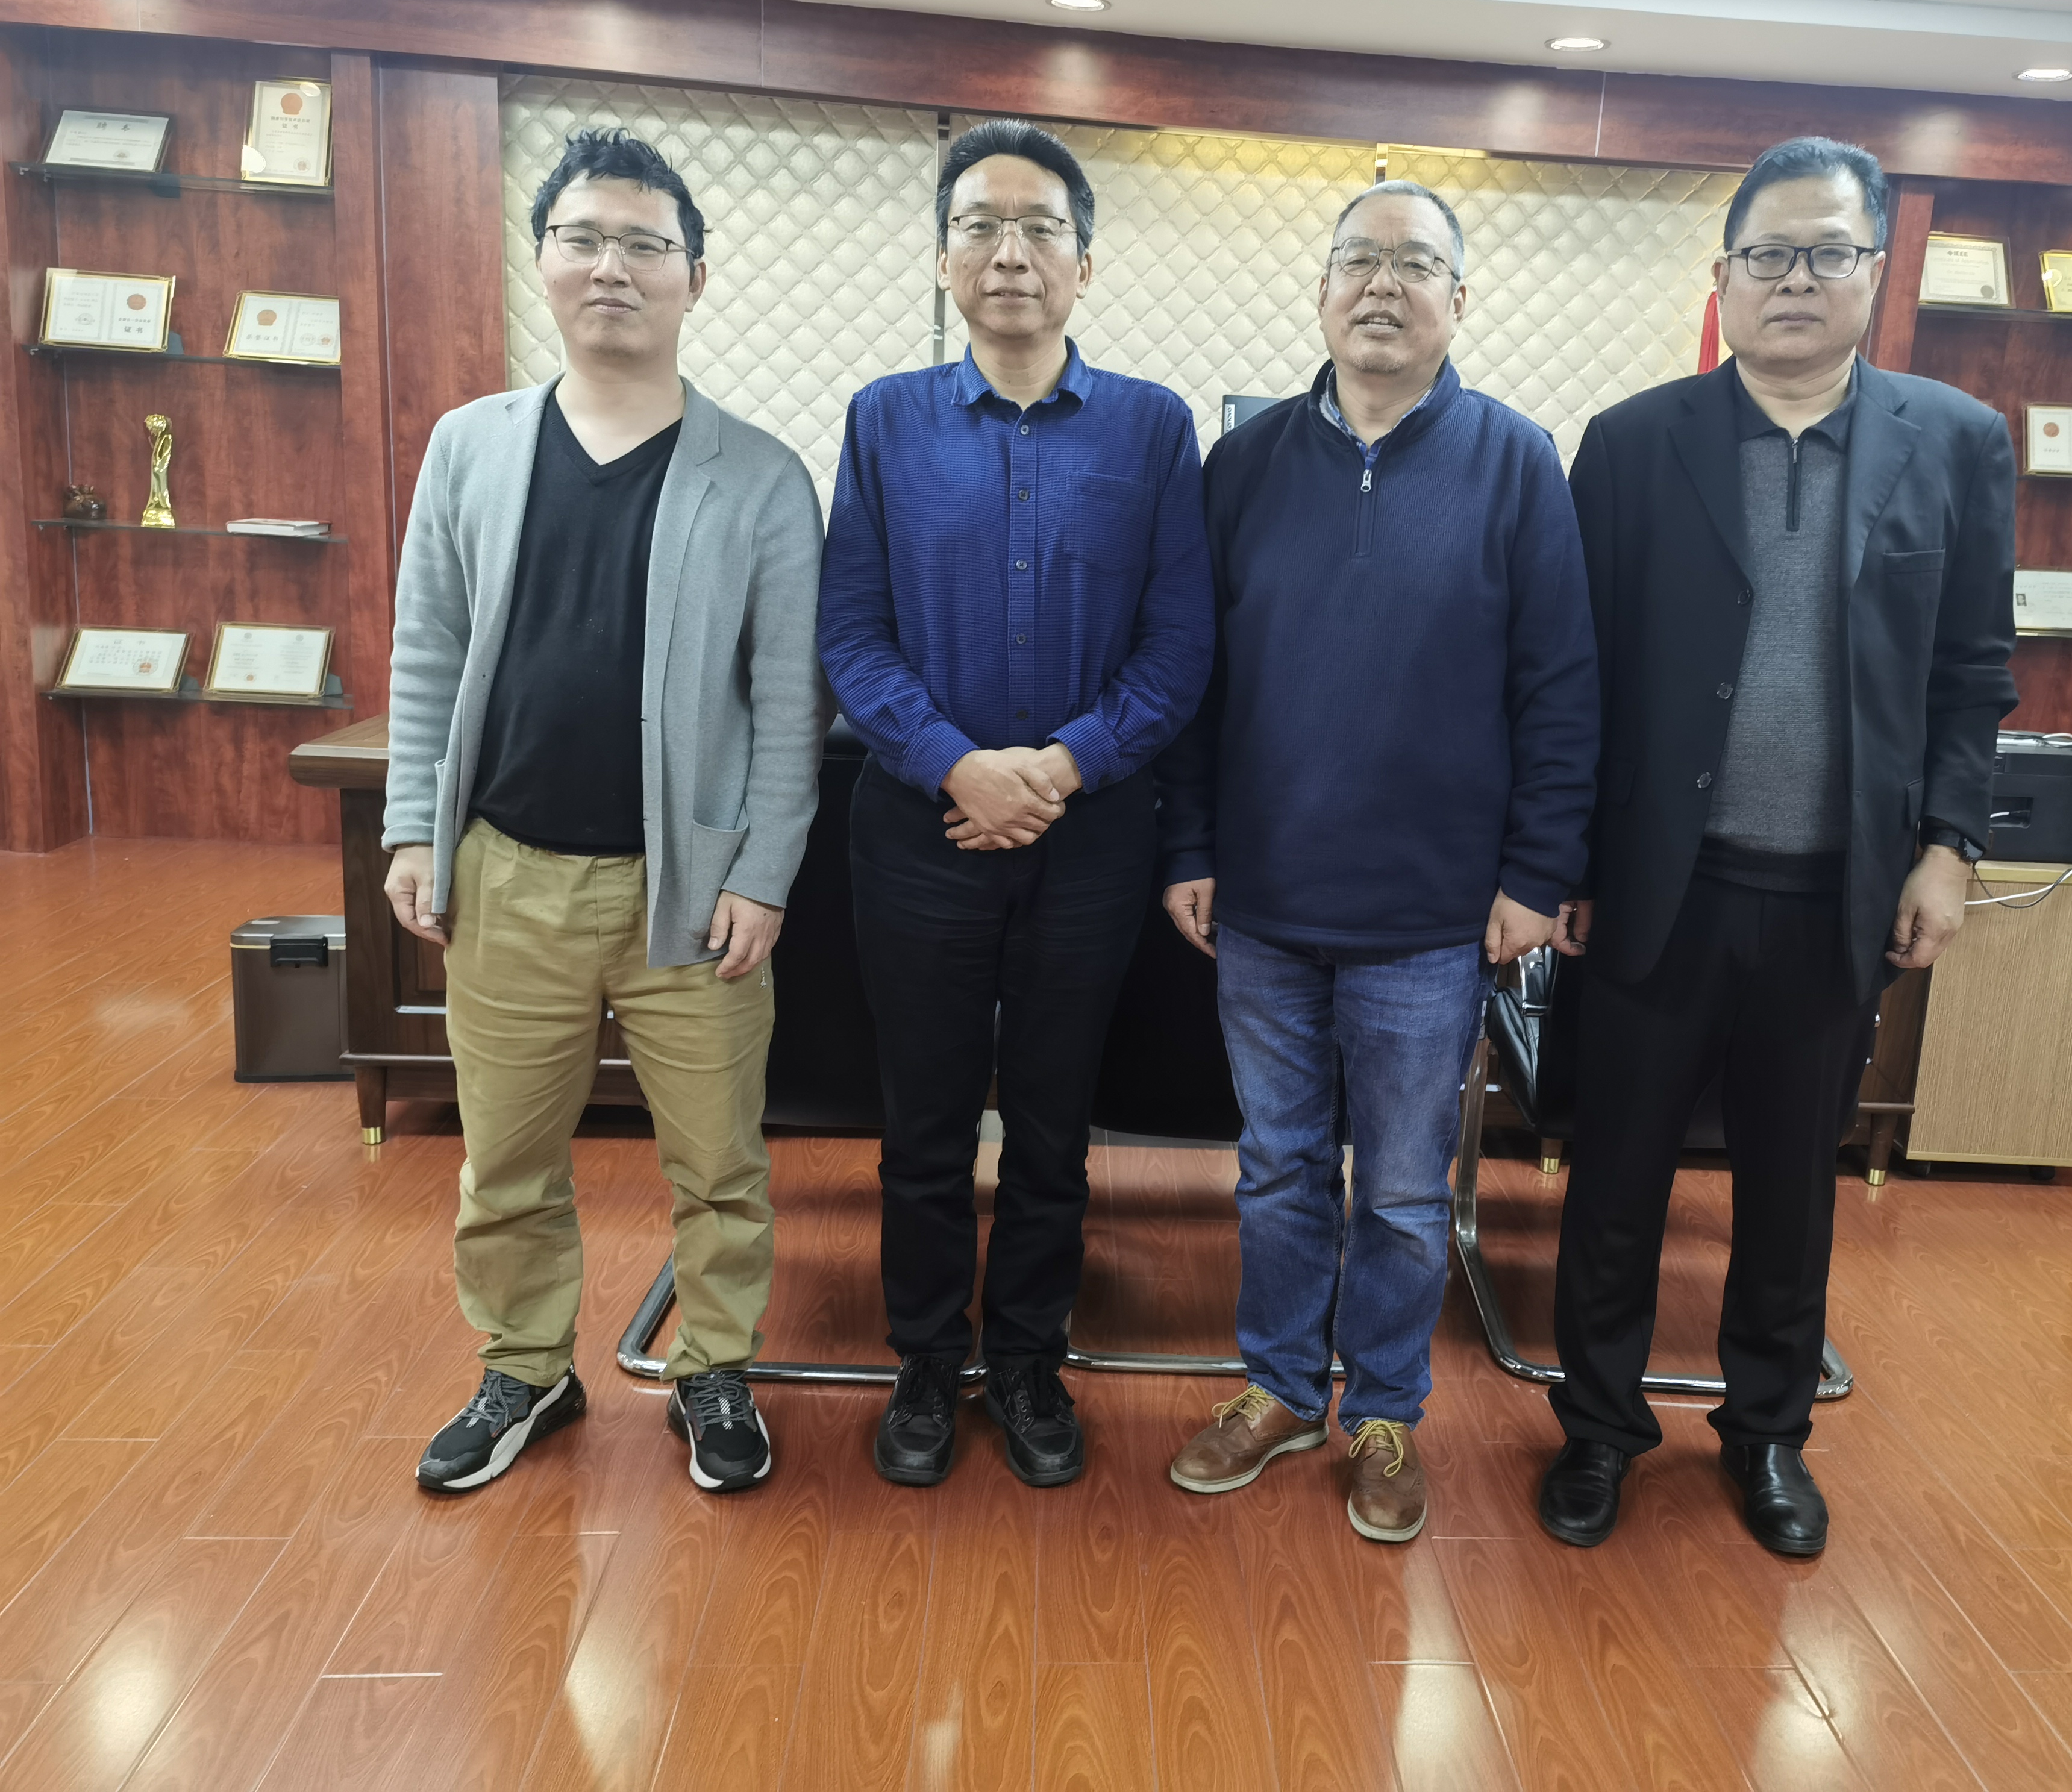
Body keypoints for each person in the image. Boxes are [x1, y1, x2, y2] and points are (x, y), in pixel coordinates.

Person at [1537, 136, 2017, 1555]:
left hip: (1833, 896)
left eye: (1826, 253)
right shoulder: (1632, 443)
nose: (1794, 279)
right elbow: (1575, 674)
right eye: (1767, 255)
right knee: (1614, 1179)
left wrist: (1948, 847)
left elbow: (1971, 673)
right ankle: (1597, 1430)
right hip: (1656, 890)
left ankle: (1764, 1435)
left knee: (1791, 1191)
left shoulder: (1954, 441)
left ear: (1874, 270)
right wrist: (1565, 864)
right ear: (1723, 275)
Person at [384, 128, 825, 1497]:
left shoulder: (759, 475)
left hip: (688, 888)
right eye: (582, 239)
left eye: (644, 245)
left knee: (719, 1163)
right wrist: (414, 824)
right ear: (545, 262)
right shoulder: (470, 446)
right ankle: (526, 1369)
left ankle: (715, 1369)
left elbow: (789, 700)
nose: (611, 268)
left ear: (694, 277)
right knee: (505, 1157)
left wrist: (763, 870)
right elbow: (427, 647)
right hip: (505, 870)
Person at [1157, 181, 1598, 1544]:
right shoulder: (1241, 467)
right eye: (1358, 259)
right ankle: (1282, 1387)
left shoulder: (1516, 462)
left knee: (1406, 1194)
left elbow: (1560, 689)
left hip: (1431, 916)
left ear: (1458, 300)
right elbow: (1193, 683)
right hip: (1264, 904)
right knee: (1278, 1169)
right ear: (1322, 291)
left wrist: (1535, 873)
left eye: (1415, 265)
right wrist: (1189, 843)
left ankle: (1387, 1408)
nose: (1382, 285)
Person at [819, 120, 1213, 1491]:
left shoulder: (1154, 429)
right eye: (979, 226)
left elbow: (1180, 646)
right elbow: (851, 633)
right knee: (925, 1123)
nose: (1009, 252)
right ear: (942, 259)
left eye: (1040, 227)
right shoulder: (884, 420)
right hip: (918, 829)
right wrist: (956, 764)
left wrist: (1061, 767)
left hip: (1090, 836)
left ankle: (1033, 1357)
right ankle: (929, 1358)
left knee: (1053, 1123)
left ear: (1083, 264)